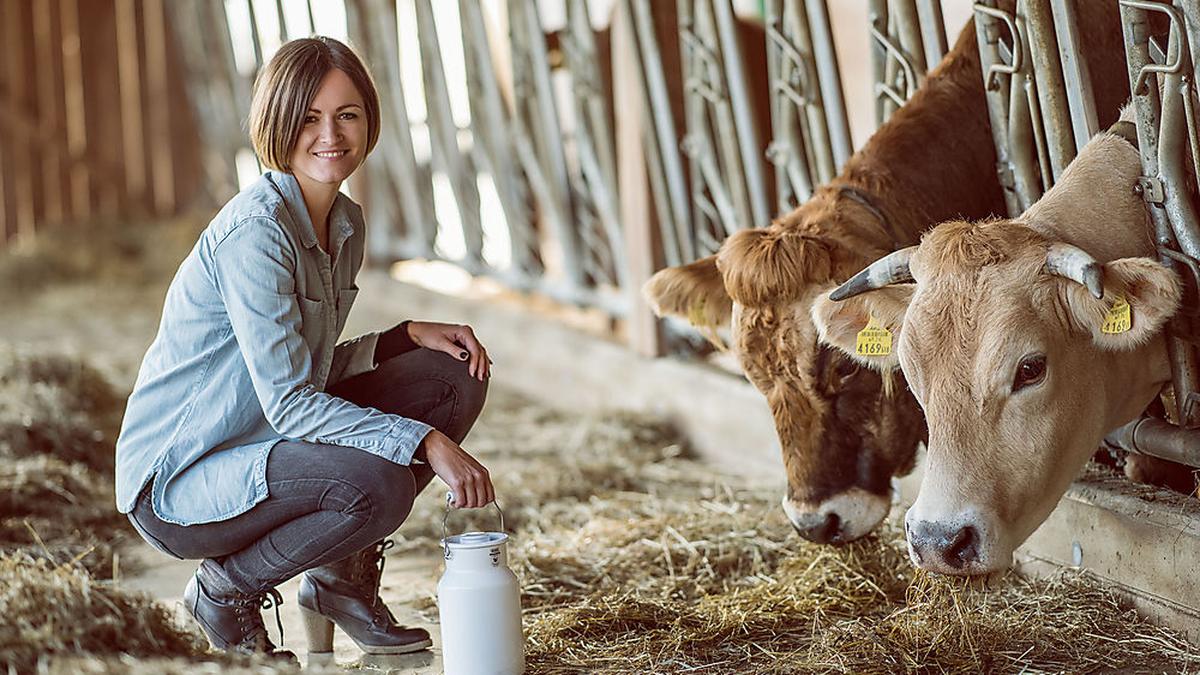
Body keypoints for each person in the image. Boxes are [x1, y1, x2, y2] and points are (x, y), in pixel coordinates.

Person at [114, 36, 496, 660]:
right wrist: (423, 442)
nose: (331, 135)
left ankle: (338, 584)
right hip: (182, 478)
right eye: (309, 117)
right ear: (277, 122)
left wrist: (400, 339)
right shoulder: (257, 234)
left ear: (368, 120)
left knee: (450, 376)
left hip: (262, 431)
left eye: (347, 114)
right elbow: (292, 402)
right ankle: (224, 589)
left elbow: (301, 369)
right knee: (376, 483)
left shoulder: (344, 222)